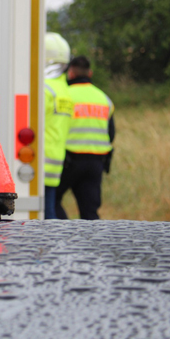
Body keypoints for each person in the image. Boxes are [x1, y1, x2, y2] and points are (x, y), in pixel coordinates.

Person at [55, 56, 115, 220]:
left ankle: (64, 233)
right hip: (96, 162)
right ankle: (91, 244)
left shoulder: (64, 96)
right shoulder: (104, 98)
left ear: (71, 73)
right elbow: (111, 134)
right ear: (90, 73)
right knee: (90, 211)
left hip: (69, 161)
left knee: (52, 200)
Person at [43, 33, 74, 219]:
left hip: (39, 161)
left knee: (46, 215)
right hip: (55, 161)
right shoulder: (65, 91)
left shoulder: (44, 89)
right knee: (49, 209)